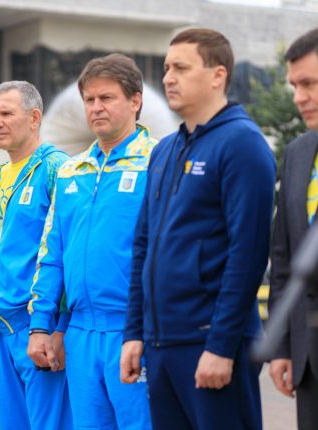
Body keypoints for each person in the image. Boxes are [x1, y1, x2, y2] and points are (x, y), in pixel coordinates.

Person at [120, 28, 276, 430]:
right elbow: (143, 247)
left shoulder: (243, 144)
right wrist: (134, 333)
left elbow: (248, 254)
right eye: (166, 68)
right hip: (161, 344)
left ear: (217, 75)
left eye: (181, 68)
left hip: (211, 344)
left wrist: (221, 346)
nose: (168, 78)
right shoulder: (164, 151)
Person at [27, 54, 155, 430]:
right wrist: (41, 324)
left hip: (134, 331)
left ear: (135, 100)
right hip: (81, 333)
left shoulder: (158, 161)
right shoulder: (71, 170)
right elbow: (52, 254)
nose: (96, 107)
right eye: (89, 99)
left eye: (107, 98)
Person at [0, 81, 72, 430]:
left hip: (37, 328)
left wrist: (57, 327)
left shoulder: (56, 168)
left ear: (34, 118)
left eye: (6, 113)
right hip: (0, 330)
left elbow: (64, 254)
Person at [268, 27, 318, 430]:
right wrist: (282, 345)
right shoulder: (298, 153)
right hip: (309, 360)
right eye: (295, 86)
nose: (299, 96)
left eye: (309, 83)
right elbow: (283, 259)